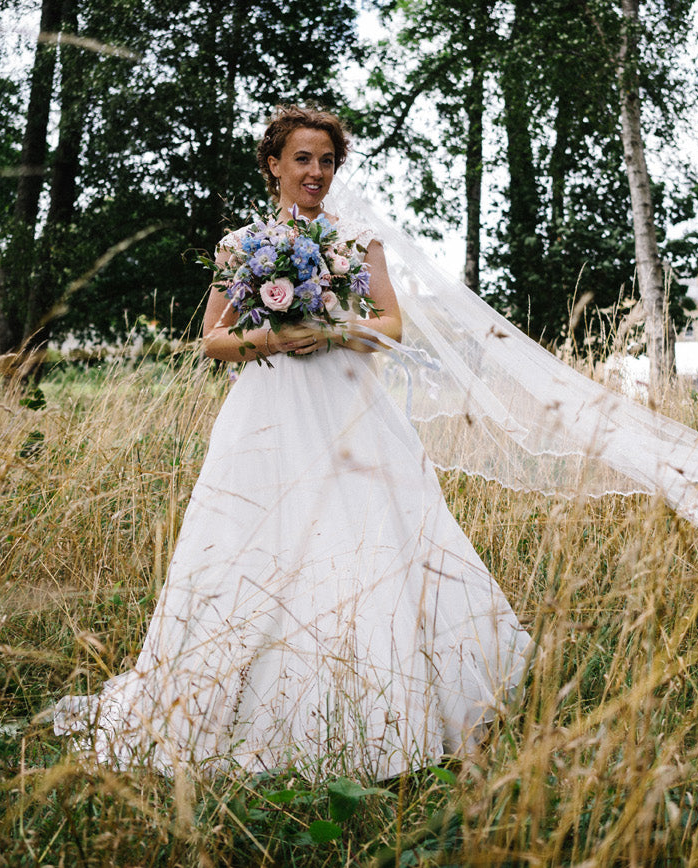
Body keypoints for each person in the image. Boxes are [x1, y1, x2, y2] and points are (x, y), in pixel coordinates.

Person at [53, 106, 533, 780]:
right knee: (255, 544)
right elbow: (214, 339)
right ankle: (248, 715)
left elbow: (391, 325)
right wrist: (276, 337)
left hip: (349, 407)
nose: (315, 172)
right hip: (270, 413)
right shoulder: (240, 244)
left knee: (365, 541)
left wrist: (334, 330)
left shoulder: (357, 240)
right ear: (274, 164)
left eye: (327, 161)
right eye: (302, 159)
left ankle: (387, 715)